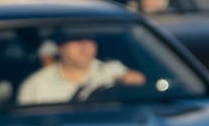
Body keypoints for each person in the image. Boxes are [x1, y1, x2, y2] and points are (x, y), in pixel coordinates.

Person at [16, 33, 144, 104]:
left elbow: (139, 83)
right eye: (76, 39)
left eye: (89, 40)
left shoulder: (111, 72)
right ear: (61, 48)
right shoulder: (36, 85)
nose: (85, 46)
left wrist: (132, 80)